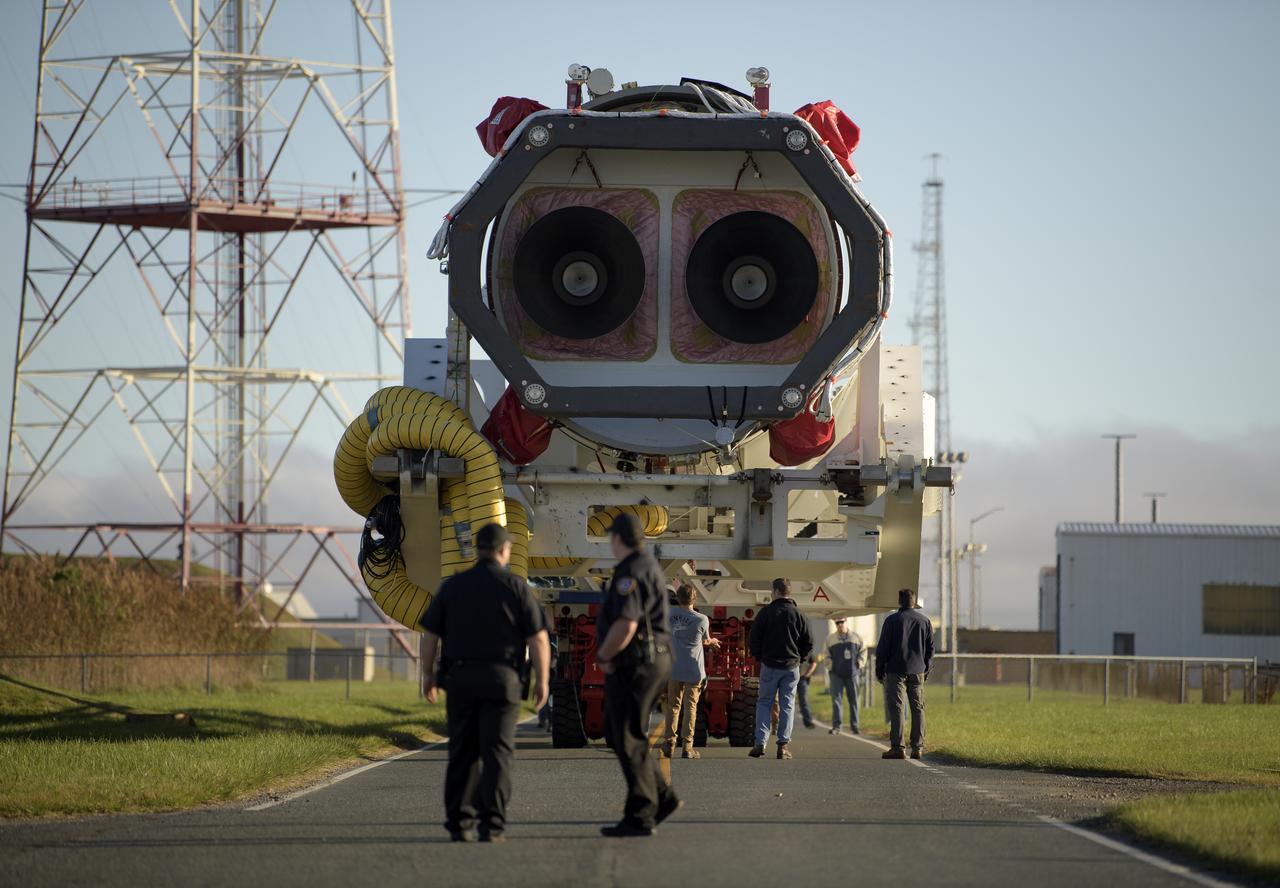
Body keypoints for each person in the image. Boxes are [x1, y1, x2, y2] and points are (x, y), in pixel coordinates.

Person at [420, 523, 550, 842]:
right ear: (505, 550)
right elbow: (539, 639)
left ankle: (459, 823)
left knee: (462, 752)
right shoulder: (517, 587)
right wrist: (543, 681)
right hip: (502, 681)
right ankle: (491, 825)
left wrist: (428, 674)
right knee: (498, 753)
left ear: (477, 549)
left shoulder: (453, 586)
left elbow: (430, 634)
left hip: (460, 679)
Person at [596, 512, 681, 837]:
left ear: (618, 539)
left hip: (638, 661)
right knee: (620, 733)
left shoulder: (630, 571)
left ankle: (641, 815)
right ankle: (662, 796)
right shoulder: (648, 566)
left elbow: (627, 622)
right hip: (653, 658)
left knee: (627, 736)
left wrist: (605, 654)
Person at [747, 578, 813, 760]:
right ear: (789, 592)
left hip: (769, 666)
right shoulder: (799, 614)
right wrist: (800, 658)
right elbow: (809, 641)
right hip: (791, 667)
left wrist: (759, 657)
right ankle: (783, 746)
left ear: (775, 592)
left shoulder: (766, 613)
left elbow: (754, 638)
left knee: (764, 703)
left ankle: (760, 743)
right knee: (787, 705)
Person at [661, 584, 721, 758]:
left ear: (677, 599)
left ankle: (669, 743)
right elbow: (706, 640)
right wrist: (713, 641)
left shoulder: (668, 615)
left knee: (673, 706)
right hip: (694, 669)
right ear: (694, 599)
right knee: (690, 708)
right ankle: (687, 747)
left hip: (674, 667)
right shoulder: (702, 619)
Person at [874, 587, 934, 760]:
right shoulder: (925, 621)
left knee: (898, 709)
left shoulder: (892, 620)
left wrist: (879, 670)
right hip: (918, 670)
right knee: (918, 708)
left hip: (895, 670)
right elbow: (931, 649)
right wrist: (926, 669)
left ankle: (898, 747)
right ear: (914, 602)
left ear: (899, 601)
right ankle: (918, 747)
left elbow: (883, 648)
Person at [825, 617, 866, 735]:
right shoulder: (830, 639)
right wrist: (831, 666)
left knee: (854, 700)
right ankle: (837, 726)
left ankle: (855, 726)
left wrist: (859, 663)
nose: (839, 625)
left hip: (852, 674)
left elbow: (863, 651)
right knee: (836, 700)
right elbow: (826, 654)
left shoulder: (856, 637)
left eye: (841, 622)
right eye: (837, 623)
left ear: (846, 622)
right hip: (836, 674)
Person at [796, 648, 820, 730]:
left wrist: (807, 674)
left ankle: (808, 722)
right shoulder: (790, 648)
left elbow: (814, 663)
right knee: (786, 701)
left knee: (803, 700)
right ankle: (780, 723)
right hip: (789, 678)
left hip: (802, 679)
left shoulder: (808, 650)